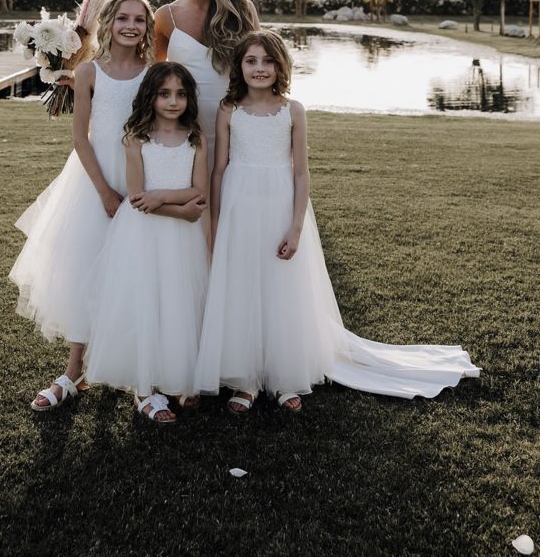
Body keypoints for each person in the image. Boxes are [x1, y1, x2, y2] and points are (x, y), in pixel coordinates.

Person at [194, 30, 481, 413]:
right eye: (251, 61)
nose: (259, 68)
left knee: (282, 289)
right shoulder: (229, 109)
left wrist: (295, 227)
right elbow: (218, 170)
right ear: (240, 67)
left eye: (267, 61)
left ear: (280, 66)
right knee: (243, 286)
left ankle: (284, 377)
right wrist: (215, 220)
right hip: (238, 206)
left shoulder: (292, 110)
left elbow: (300, 174)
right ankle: (245, 381)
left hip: (280, 204)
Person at [9, 0, 155, 411]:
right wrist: (105, 192)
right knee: (84, 269)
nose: (131, 26)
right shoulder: (90, 72)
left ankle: (141, 375)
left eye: (139, 20)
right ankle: (75, 371)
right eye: (123, 18)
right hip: (95, 180)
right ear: (108, 23)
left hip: (141, 177)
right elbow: (80, 137)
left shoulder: (154, 72)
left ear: (146, 28)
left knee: (139, 272)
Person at [84, 63, 210, 424]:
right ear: (150, 97)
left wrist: (162, 197)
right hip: (143, 233)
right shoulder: (135, 138)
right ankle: (144, 391)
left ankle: (177, 377)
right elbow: (138, 198)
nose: (173, 101)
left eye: (181, 94)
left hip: (182, 239)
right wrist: (176, 210)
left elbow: (199, 192)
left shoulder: (195, 139)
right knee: (146, 303)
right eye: (164, 94)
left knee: (178, 302)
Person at [154, 0, 258, 172]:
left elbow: (258, 73)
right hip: (184, 132)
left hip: (236, 130)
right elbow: (149, 81)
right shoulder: (165, 17)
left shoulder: (244, 13)